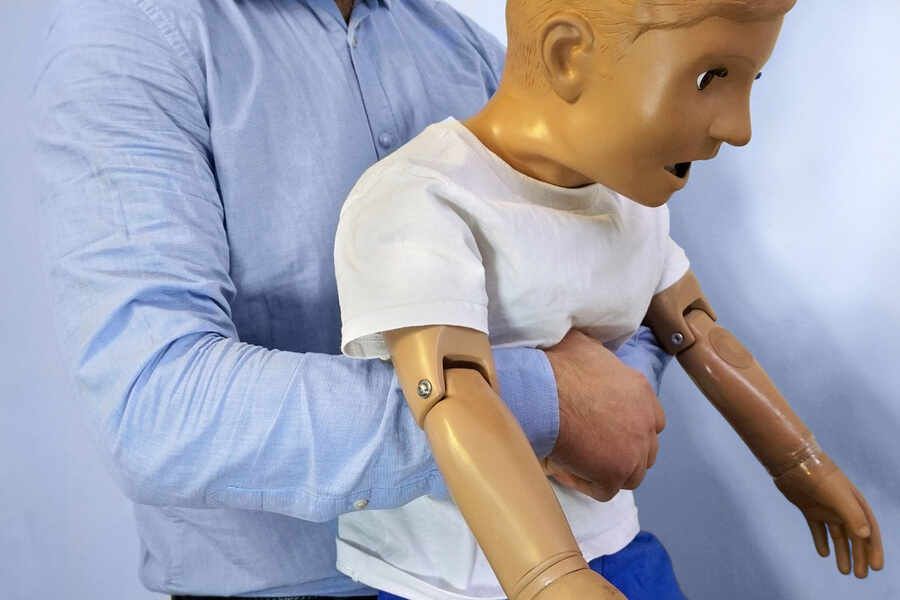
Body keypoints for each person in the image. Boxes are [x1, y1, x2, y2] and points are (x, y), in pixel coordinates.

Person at [28, 0, 671, 597]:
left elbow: (619, 280)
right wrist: (547, 403)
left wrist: (617, 405)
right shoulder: (128, 37)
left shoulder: (470, 50)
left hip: (577, 554)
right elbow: (155, 411)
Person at [333, 0, 883, 598]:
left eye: (751, 80)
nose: (739, 128)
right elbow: (449, 395)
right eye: (710, 78)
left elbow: (695, 330)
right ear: (569, 55)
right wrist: (551, 579)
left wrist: (800, 461)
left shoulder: (628, 203)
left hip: (615, 548)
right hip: (451, 579)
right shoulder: (424, 200)